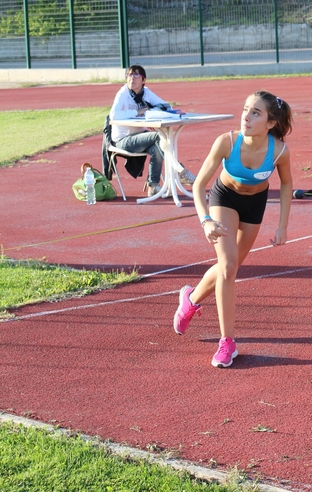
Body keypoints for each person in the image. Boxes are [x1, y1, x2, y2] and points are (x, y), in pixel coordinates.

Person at [173, 89, 293, 368]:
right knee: (228, 266)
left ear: (270, 123)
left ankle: (190, 299)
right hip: (223, 199)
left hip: (254, 206)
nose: (246, 117)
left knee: (231, 265)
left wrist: (283, 226)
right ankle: (227, 342)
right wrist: (205, 221)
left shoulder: (279, 151)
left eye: (255, 113)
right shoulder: (227, 142)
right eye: (245, 109)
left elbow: (286, 184)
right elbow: (199, 184)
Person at [109, 64, 196, 196]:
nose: (132, 78)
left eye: (136, 75)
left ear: (143, 80)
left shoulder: (146, 92)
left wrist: (152, 111)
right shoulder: (123, 93)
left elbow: (166, 106)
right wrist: (137, 111)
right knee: (157, 137)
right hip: (122, 140)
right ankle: (179, 171)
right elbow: (113, 115)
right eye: (129, 75)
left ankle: (153, 186)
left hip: (140, 137)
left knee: (157, 147)